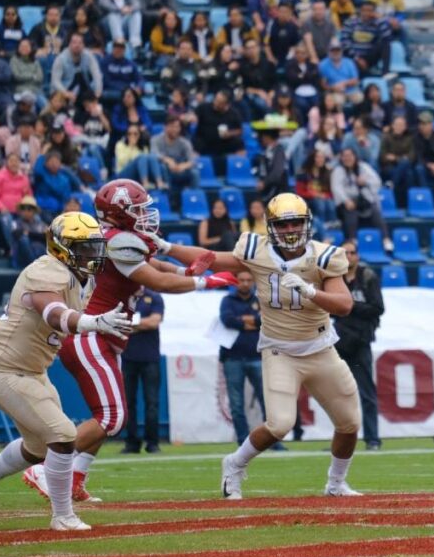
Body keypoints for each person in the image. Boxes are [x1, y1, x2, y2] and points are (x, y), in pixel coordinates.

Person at [23, 180, 236, 503]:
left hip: (106, 336)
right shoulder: (118, 240)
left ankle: (75, 478)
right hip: (91, 333)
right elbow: (158, 281)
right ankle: (48, 467)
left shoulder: (125, 239)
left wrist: (193, 273)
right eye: (138, 209)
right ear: (118, 213)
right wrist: (202, 283)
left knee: (111, 418)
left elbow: (160, 266)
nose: (147, 214)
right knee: (112, 416)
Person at [162, 193, 365, 500]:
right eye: (283, 224)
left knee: (349, 423)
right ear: (270, 227)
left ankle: (336, 483)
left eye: (296, 222)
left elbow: (345, 305)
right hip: (279, 350)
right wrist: (166, 248)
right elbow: (209, 258)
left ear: (308, 223)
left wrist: (311, 291)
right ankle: (234, 463)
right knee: (280, 424)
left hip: (320, 348)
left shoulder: (324, 256)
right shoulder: (256, 250)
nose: (291, 229)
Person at [0, 212, 131, 531]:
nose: (92, 255)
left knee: (38, 448)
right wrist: (92, 323)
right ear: (61, 247)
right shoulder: (47, 270)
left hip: (32, 369)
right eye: (83, 247)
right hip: (6, 368)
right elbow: (54, 312)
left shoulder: (73, 276)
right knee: (64, 434)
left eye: (94, 247)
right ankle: (63, 515)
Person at [334, 240, 384, 450]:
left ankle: (372, 438)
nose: (349, 256)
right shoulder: (335, 279)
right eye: (344, 253)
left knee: (366, 393)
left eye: (352, 252)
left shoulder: (367, 277)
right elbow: (329, 309)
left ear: (358, 256)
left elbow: (378, 308)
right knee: (337, 395)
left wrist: (350, 306)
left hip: (361, 341)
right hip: (340, 341)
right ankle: (341, 441)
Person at [220, 271, 266, 446]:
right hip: (233, 357)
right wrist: (254, 321)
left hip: (258, 355)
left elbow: (266, 320)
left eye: (249, 280)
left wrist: (245, 321)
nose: (245, 283)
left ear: (253, 281)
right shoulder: (227, 300)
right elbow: (227, 320)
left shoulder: (260, 299)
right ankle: (244, 441)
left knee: (267, 401)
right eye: (242, 280)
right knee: (236, 404)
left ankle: (272, 440)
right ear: (235, 282)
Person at [120, 289, 164, 454]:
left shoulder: (154, 297)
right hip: (127, 357)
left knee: (152, 403)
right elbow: (116, 323)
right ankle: (131, 443)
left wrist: (131, 325)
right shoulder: (124, 296)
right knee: (128, 403)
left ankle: (152, 443)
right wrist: (141, 325)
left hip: (150, 358)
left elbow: (154, 322)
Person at [332, 147, 392, 249]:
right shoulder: (338, 171)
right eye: (345, 156)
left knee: (375, 209)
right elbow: (336, 188)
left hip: (363, 201)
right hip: (346, 202)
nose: (347, 159)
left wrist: (365, 182)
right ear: (341, 158)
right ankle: (352, 240)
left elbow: (377, 182)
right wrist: (346, 201)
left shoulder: (363, 167)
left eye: (350, 156)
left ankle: (386, 239)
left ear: (355, 157)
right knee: (350, 210)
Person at [151, 115, 199, 195]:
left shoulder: (184, 142)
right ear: (165, 127)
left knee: (195, 173)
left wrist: (183, 166)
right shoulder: (155, 139)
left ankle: (194, 198)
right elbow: (154, 154)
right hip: (164, 171)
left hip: (180, 170)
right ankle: (168, 198)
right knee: (163, 167)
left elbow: (192, 160)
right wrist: (167, 160)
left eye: (177, 127)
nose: (175, 130)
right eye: (172, 126)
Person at [340, 1, 391, 76]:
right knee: (345, 50)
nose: (366, 13)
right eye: (364, 10)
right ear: (360, 11)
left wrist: (381, 20)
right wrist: (357, 58)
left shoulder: (377, 23)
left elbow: (387, 37)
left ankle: (385, 73)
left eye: (369, 11)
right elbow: (344, 42)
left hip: (369, 56)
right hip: (353, 56)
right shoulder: (350, 22)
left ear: (374, 12)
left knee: (385, 44)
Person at [51, 33, 103, 103]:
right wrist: (66, 93)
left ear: (84, 45)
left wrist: (98, 91)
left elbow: (97, 74)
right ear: (69, 44)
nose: (77, 45)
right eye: (74, 42)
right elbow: (55, 81)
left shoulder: (89, 56)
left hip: (83, 89)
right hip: (64, 90)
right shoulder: (61, 59)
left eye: (80, 43)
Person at [9, 196, 49, 269]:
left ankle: (35, 266)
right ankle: (34, 266)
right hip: (21, 259)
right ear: (20, 211)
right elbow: (17, 234)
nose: (26, 211)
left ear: (34, 211)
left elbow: (47, 236)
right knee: (24, 240)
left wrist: (29, 234)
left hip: (38, 255)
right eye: (23, 209)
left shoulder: (41, 224)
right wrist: (36, 236)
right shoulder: (15, 223)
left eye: (29, 209)